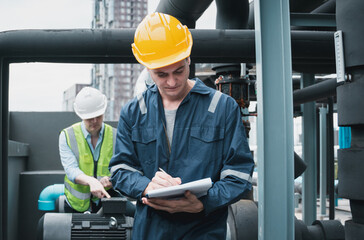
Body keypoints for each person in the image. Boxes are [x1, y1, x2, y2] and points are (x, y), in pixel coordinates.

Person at [109, 12, 255, 239]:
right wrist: (147, 187)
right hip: (150, 231)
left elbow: (239, 172)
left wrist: (202, 202)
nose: (171, 81)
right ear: (147, 68)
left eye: (178, 70)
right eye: (161, 74)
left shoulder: (221, 107)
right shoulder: (134, 112)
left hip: (203, 230)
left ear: (188, 58)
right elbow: (120, 170)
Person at [59, 87, 117, 213]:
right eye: (90, 117)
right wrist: (91, 181)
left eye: (98, 115)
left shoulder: (115, 135)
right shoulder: (67, 135)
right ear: (81, 115)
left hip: (106, 202)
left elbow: (122, 166)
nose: (95, 121)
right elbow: (71, 169)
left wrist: (112, 179)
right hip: (75, 205)